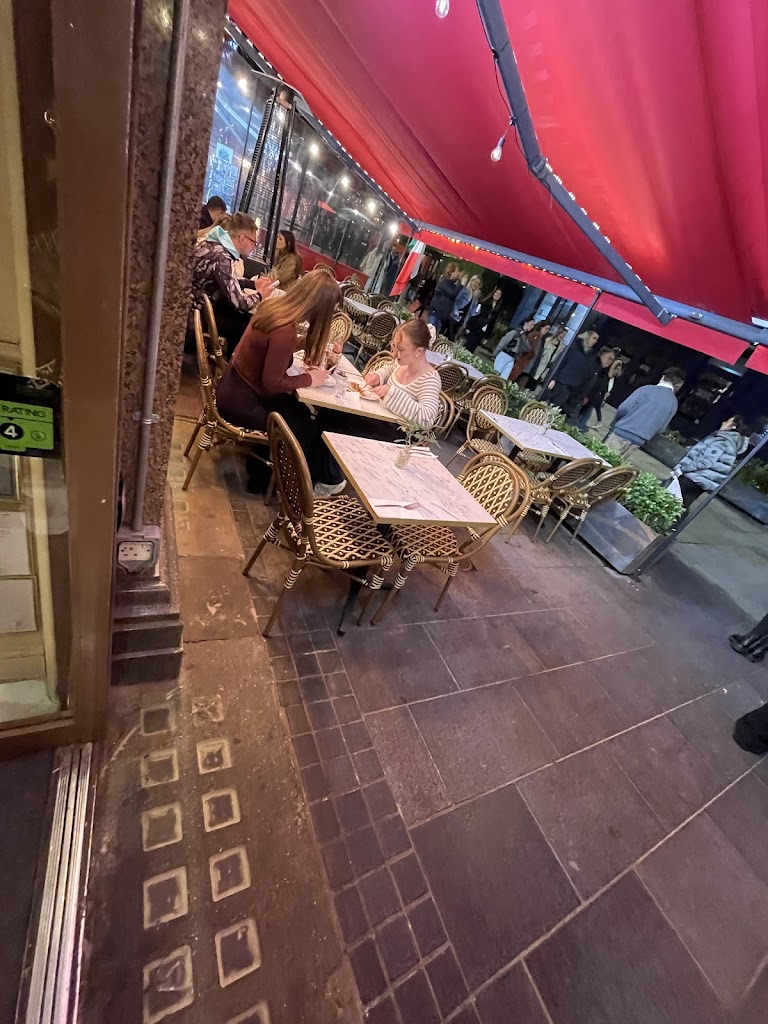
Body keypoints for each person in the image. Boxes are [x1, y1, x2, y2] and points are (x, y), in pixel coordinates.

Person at [214, 269, 339, 491]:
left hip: (231, 388)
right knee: (306, 428)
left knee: (300, 413)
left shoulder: (274, 309)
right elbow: (272, 386)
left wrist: (302, 344)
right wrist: (310, 378)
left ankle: (259, 467)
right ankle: (271, 484)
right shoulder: (284, 331)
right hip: (242, 402)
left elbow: (269, 353)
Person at [190, 212, 274, 354]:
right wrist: (260, 295)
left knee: (243, 319)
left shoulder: (213, 245)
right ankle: (233, 365)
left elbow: (228, 281)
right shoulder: (222, 258)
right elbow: (241, 305)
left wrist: (253, 284)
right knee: (246, 325)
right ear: (242, 239)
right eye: (254, 242)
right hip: (196, 317)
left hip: (195, 307)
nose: (254, 247)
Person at [363, 319, 441, 428]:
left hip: (392, 432)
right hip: (375, 418)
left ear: (418, 351)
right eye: (394, 346)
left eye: (401, 349)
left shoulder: (430, 379)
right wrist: (378, 376)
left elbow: (426, 420)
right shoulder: (402, 362)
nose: (394, 354)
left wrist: (391, 393)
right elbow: (387, 369)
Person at [667, 415, 750, 508]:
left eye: (727, 421)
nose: (723, 423)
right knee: (679, 504)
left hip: (694, 477)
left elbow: (705, 462)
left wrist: (682, 469)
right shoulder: (730, 443)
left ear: (733, 426)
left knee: (671, 501)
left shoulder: (722, 441)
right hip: (702, 480)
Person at [604, 367, 685, 455]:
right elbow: (662, 428)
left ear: (663, 377)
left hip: (622, 431)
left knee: (601, 458)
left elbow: (623, 408)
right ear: (677, 385)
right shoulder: (673, 403)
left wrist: (618, 420)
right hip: (639, 440)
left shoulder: (646, 389)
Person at [545, 330, 601, 416]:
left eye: (597, 339)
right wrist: (553, 378)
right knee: (544, 404)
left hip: (570, 388)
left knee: (553, 411)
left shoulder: (591, 357)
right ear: (588, 336)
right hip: (559, 382)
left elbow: (587, 376)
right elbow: (560, 363)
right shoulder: (574, 347)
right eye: (594, 338)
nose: (595, 341)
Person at [575, 350, 620, 431]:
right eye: (608, 358)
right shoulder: (595, 366)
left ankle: (581, 427)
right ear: (602, 356)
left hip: (593, 397)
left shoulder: (604, 372)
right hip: (585, 395)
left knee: (585, 413)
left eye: (611, 360)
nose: (609, 361)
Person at [464, 288, 504, 352]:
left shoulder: (497, 309)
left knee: (473, 348)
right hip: (476, 327)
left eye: (499, 294)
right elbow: (475, 315)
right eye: (496, 293)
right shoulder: (484, 303)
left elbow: (492, 323)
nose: (497, 295)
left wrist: (487, 337)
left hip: (483, 331)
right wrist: (468, 327)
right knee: (468, 346)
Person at [427, 263, 462, 332]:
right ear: (451, 272)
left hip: (442, 316)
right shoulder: (444, 282)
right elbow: (452, 293)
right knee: (429, 332)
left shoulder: (453, 285)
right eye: (457, 271)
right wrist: (461, 285)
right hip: (435, 313)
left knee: (434, 334)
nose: (458, 274)